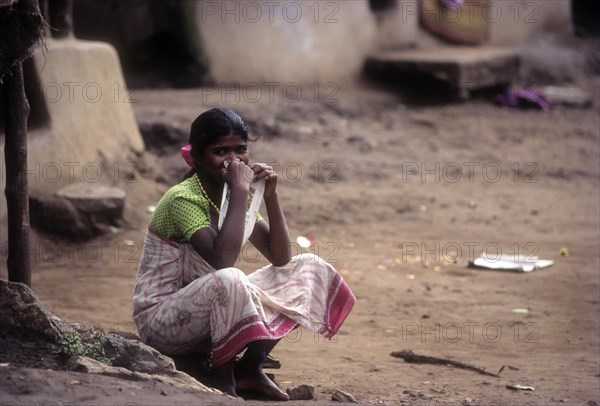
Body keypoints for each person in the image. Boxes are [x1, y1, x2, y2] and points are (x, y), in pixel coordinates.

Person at [132, 108, 356, 400]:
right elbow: (222, 260)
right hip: (163, 320)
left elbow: (280, 258)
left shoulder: (235, 194)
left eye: (241, 150)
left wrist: (271, 196)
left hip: (209, 311)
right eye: (220, 151)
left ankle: (250, 369)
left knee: (307, 266)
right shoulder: (183, 198)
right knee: (231, 278)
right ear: (198, 157)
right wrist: (240, 189)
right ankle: (222, 380)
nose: (234, 160)